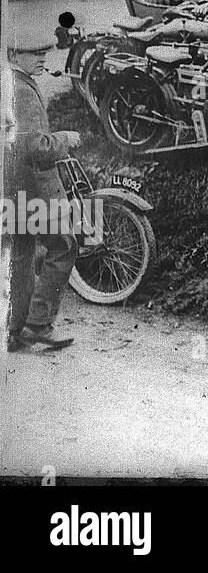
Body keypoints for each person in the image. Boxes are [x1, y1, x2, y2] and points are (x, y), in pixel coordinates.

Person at [5, 36, 81, 352]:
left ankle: (15, 329)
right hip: (36, 189)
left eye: (44, 52)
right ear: (14, 53)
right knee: (64, 246)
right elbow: (36, 147)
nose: (41, 58)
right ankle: (37, 323)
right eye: (33, 52)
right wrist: (65, 138)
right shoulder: (23, 92)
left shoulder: (11, 83)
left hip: (14, 184)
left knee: (22, 255)